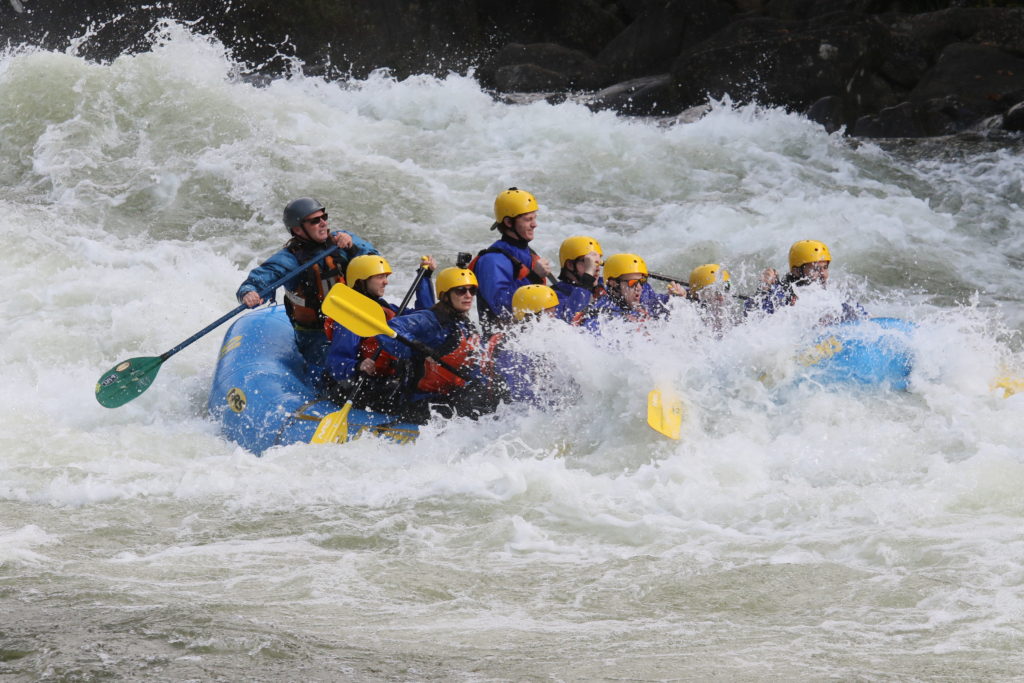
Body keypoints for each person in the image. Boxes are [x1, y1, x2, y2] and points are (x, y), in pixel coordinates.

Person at [236, 197, 378, 369]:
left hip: (355, 320)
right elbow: (257, 281)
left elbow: (375, 261)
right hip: (317, 335)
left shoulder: (341, 241)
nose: (323, 223)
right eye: (315, 221)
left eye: (324, 217)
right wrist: (249, 293)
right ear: (298, 229)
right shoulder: (289, 260)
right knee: (336, 372)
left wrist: (352, 247)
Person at [373, 267, 498, 423]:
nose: (468, 296)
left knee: (491, 398)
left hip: (447, 393)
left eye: (472, 290)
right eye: (460, 291)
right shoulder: (431, 320)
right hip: (421, 401)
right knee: (472, 408)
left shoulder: (463, 322)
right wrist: (418, 347)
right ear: (445, 296)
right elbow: (389, 329)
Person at [323, 254, 436, 412]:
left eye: (386, 276)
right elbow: (335, 362)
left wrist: (424, 277)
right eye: (380, 277)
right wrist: (358, 365)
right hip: (358, 386)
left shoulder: (384, 308)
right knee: (418, 404)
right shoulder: (351, 317)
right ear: (361, 280)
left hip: (385, 379)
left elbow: (425, 318)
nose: (386, 281)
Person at [469, 187, 553, 332]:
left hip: (528, 337)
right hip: (501, 345)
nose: (534, 224)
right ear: (508, 222)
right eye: (528, 219)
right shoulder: (492, 261)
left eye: (534, 218)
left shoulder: (527, 253)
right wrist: (533, 277)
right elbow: (501, 308)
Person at [746, 239, 865, 322]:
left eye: (825, 268)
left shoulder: (834, 295)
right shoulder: (782, 293)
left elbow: (864, 319)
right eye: (816, 269)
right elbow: (753, 316)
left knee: (848, 309)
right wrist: (764, 290)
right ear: (797, 271)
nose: (822, 274)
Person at [584, 253, 681, 329]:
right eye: (632, 283)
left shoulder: (645, 294)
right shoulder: (603, 314)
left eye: (641, 281)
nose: (639, 287)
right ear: (614, 284)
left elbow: (665, 303)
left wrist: (681, 295)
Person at [552, 235, 605, 324]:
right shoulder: (555, 296)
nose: (596, 268)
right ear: (570, 265)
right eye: (588, 263)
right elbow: (573, 318)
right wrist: (588, 278)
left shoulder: (605, 286)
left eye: (597, 262)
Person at [686, 263, 741, 335]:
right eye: (714, 292)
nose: (722, 297)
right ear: (698, 295)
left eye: (726, 289)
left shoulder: (733, 320)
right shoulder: (692, 319)